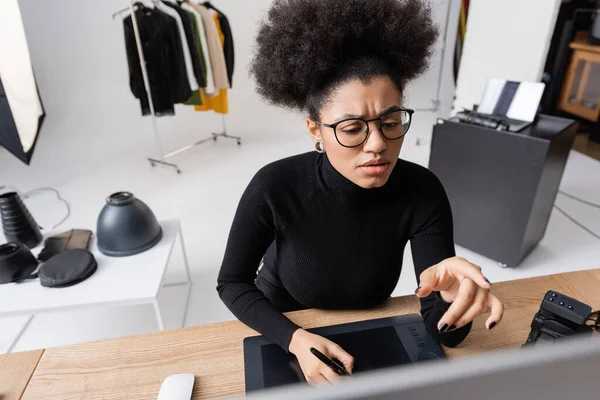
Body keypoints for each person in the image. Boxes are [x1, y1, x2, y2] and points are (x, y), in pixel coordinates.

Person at [217, 0, 504, 385]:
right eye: (352, 128)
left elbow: (441, 335)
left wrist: (452, 302)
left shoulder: (422, 191)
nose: (376, 145)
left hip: (371, 325)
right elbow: (232, 282)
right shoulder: (275, 186)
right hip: (289, 320)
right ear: (315, 129)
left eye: (390, 122)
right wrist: (294, 339)